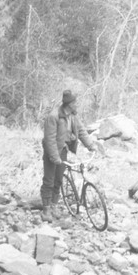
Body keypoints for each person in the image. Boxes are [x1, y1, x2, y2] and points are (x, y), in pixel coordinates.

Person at [40, 89, 97, 222]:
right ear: (69, 104)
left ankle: (54, 206)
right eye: (75, 102)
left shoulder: (73, 115)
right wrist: (55, 157)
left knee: (58, 180)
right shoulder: (53, 116)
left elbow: (81, 131)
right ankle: (46, 210)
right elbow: (49, 140)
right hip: (52, 152)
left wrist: (90, 145)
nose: (77, 104)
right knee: (49, 180)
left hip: (63, 150)